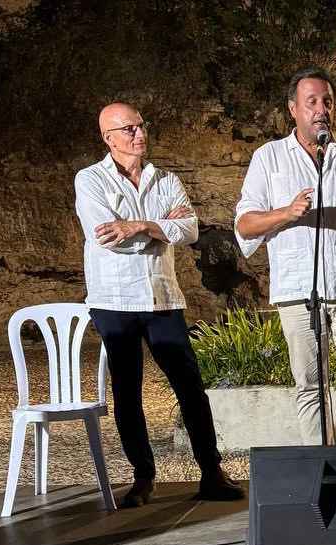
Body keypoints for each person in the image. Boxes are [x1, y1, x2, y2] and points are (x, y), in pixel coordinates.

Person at [75, 102, 245, 507]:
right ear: (108, 138)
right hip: (114, 299)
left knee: (190, 385)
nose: (139, 133)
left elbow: (188, 230)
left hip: (162, 295)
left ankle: (211, 471)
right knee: (128, 391)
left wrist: (138, 225)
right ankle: (143, 477)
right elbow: (105, 236)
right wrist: (159, 227)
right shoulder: (91, 180)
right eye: (129, 128)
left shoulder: (165, 178)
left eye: (141, 125)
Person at [234, 67, 336, 445]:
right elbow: (244, 224)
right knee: (309, 386)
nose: (321, 109)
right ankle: (320, 468)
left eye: (327, 101)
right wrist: (285, 213)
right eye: (312, 102)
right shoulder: (268, 158)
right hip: (296, 290)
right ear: (293, 109)